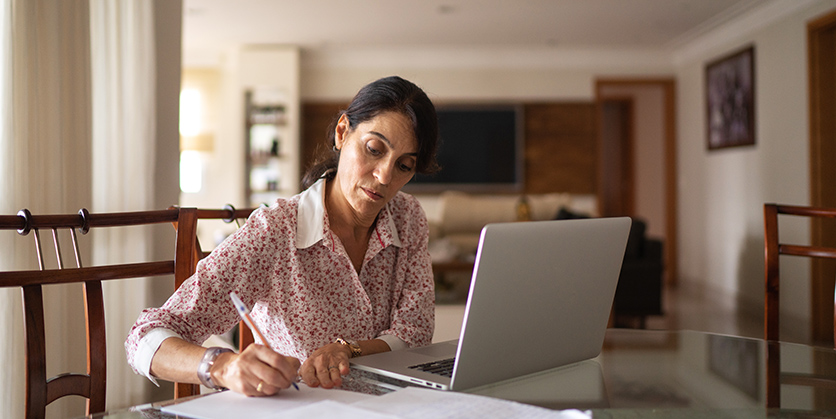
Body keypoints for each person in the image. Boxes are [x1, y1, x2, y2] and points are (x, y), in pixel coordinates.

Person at [125, 76, 440, 396]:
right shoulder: (275, 232)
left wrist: (348, 349)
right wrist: (223, 367)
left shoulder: (407, 217)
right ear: (343, 132)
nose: (384, 175)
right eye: (374, 149)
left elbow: (414, 332)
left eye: (403, 165)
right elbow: (144, 338)